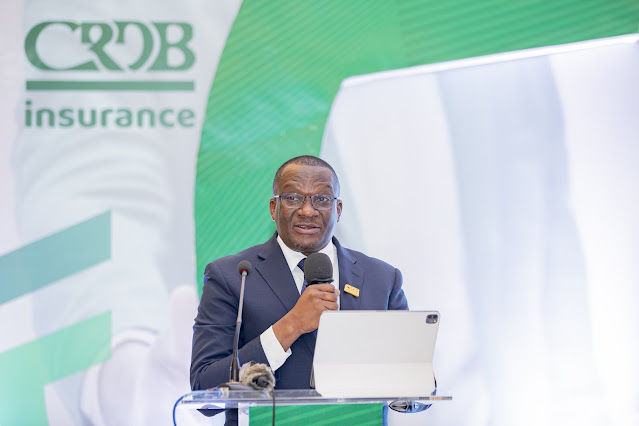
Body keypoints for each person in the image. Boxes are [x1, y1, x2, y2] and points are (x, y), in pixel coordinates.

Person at [190, 156, 408, 418]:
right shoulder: (234, 276)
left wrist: (408, 385)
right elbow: (205, 391)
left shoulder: (382, 278)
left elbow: (413, 380)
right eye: (293, 198)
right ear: (274, 208)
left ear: (338, 209)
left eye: (322, 199)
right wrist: (292, 325)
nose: (307, 210)